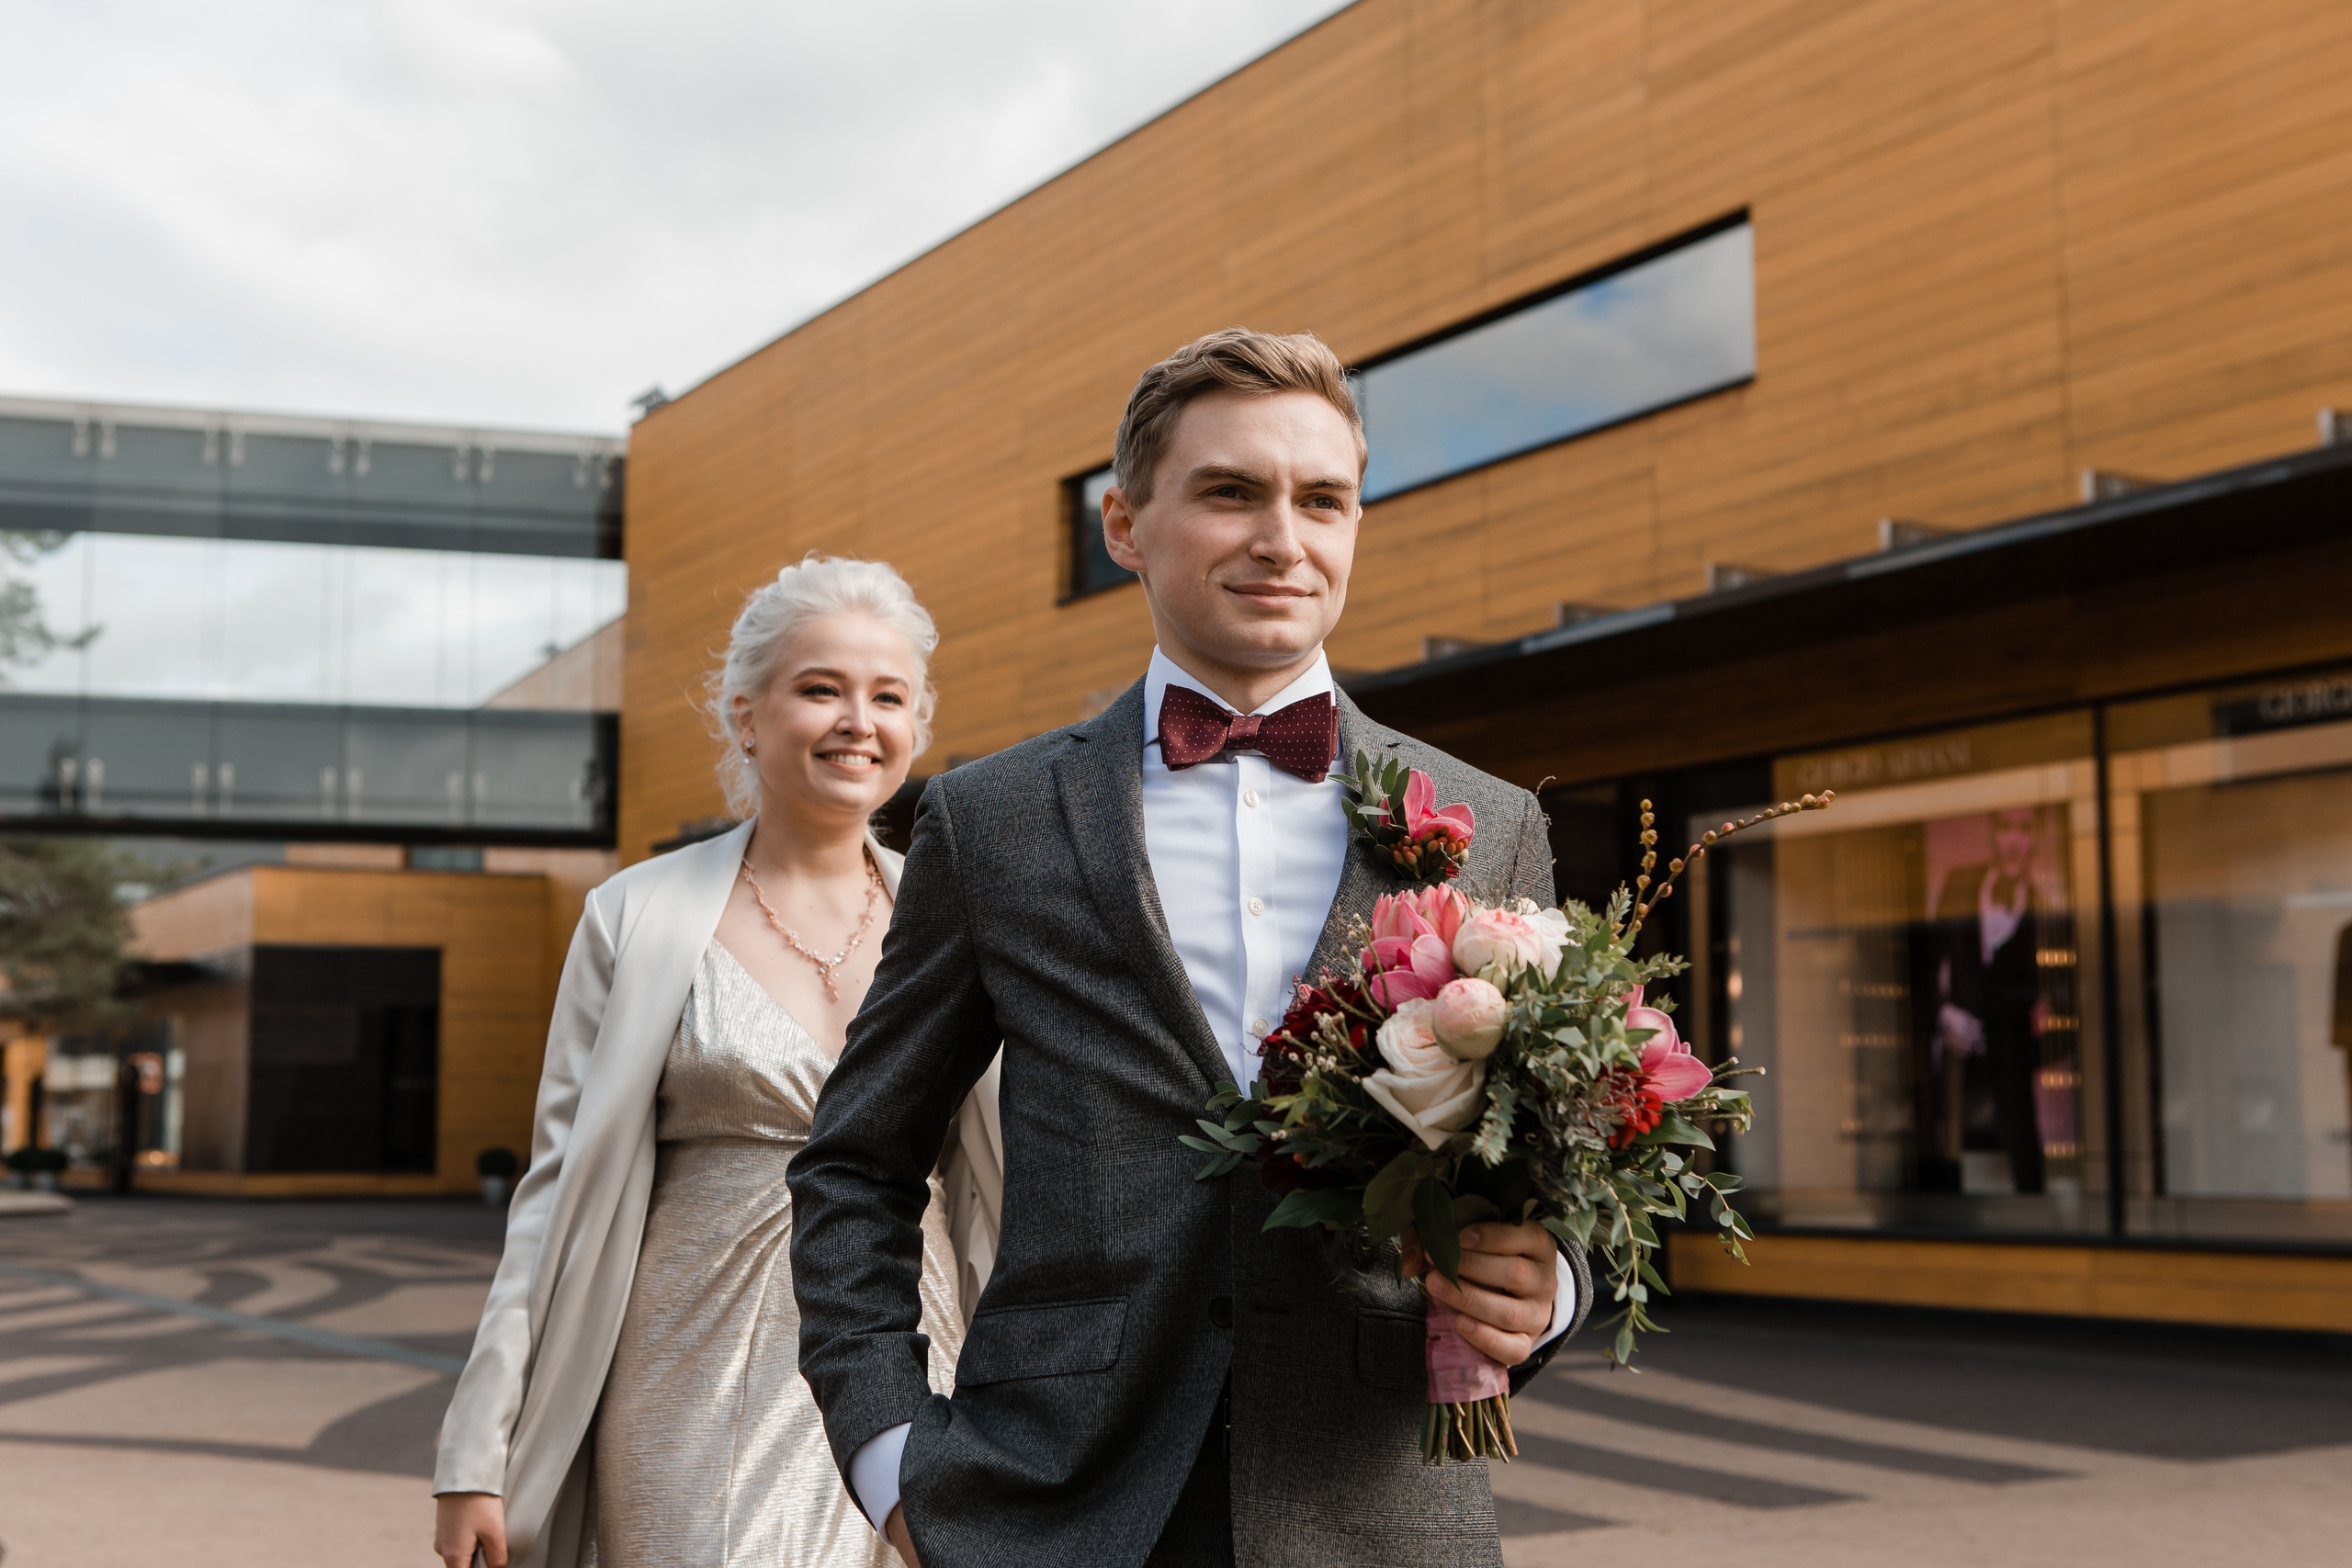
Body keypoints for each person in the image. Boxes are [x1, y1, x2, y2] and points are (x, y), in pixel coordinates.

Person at [789, 330, 1589, 1568]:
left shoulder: (1492, 824)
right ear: (1125, 523)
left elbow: (1566, 1159)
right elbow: (857, 1164)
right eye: (1231, 492)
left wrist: (1554, 1287)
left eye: (1323, 499)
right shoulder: (991, 820)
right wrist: (894, 1455)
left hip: (1378, 1511)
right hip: (1050, 1509)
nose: (1285, 538)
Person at [433, 556, 1001, 1568]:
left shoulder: (968, 917)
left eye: (887, 696)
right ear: (746, 716)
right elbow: (553, 1197)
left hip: (916, 1362)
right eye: (819, 689)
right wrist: (477, 1450)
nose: (856, 722)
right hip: (694, 1370)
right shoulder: (636, 917)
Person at [1924, 807, 2051, 1194]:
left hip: (2011, 1074)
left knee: (2024, 1173)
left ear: (2037, 837)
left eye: (2024, 829)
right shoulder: (1960, 885)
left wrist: (2023, 1053)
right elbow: (1926, 963)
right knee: (1947, 1170)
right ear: (1993, 834)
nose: (2014, 840)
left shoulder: (2045, 910)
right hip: (1959, 1067)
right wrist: (1945, 1016)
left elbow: (2064, 1003)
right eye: (2006, 828)